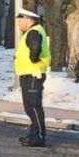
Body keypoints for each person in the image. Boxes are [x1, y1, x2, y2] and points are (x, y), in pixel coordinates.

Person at [15, 9, 51, 147]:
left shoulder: (34, 32)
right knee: (29, 106)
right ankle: (33, 133)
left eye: (20, 20)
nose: (18, 24)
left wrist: (33, 58)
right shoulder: (33, 31)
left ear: (29, 20)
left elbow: (35, 48)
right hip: (29, 74)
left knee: (34, 106)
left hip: (33, 74)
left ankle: (39, 136)